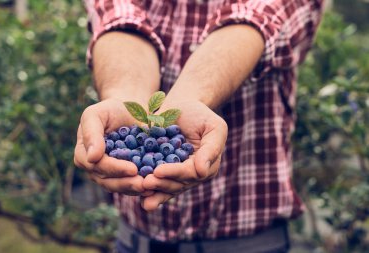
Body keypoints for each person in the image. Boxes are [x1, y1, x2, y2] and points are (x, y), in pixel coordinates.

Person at [74, 0, 324, 252]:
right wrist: (126, 98)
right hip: (136, 241)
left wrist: (190, 99)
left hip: (248, 244)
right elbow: (121, 17)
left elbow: (257, 15)